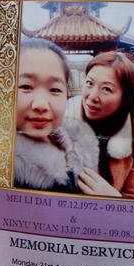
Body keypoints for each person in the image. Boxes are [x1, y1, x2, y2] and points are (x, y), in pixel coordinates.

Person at [14, 38, 121, 197]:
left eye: (55, 90)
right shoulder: (6, 168)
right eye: (26, 86)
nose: (41, 104)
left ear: (66, 94)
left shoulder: (80, 143)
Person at [67, 51, 134, 199]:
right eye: (89, 83)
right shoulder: (60, 124)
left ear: (125, 97)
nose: (93, 96)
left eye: (106, 89)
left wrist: (113, 198)